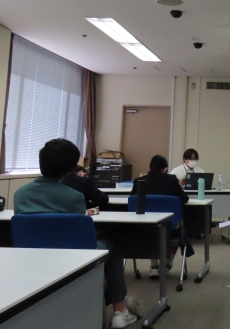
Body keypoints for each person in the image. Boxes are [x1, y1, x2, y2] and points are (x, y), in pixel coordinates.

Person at [14, 138, 140, 328]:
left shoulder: (20, 193)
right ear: (70, 168)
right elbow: (78, 232)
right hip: (69, 256)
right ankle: (120, 311)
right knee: (113, 246)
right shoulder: (74, 197)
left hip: (31, 255)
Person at [132, 154, 191, 278]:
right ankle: (167, 265)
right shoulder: (171, 180)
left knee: (152, 233)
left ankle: (154, 266)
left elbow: (133, 200)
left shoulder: (138, 181)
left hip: (142, 228)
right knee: (177, 231)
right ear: (165, 169)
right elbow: (184, 199)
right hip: (169, 228)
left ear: (149, 168)